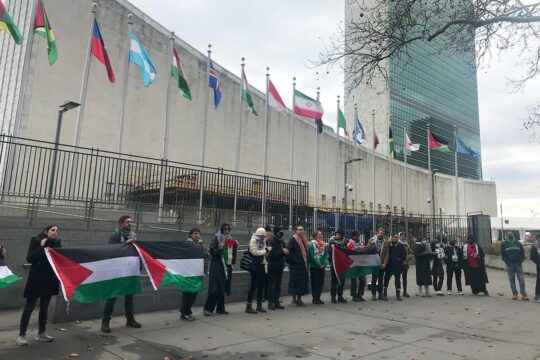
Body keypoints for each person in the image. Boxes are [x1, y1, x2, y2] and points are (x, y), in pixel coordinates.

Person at [17, 225, 61, 346]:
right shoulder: (36, 240)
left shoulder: (57, 243)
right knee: (29, 307)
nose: (55, 232)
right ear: (46, 231)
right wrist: (41, 246)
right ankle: (22, 335)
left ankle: (41, 333)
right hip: (36, 279)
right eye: (53, 230)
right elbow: (30, 258)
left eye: (56, 230)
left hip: (49, 280)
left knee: (44, 307)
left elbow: (59, 259)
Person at [101, 216, 142, 333]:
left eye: (130, 222)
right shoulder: (115, 236)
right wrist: (125, 245)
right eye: (127, 222)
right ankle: (105, 322)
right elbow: (110, 251)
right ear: (121, 224)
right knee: (112, 296)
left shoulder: (134, 235)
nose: (130, 224)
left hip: (130, 270)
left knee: (130, 297)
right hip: (117, 271)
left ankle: (130, 320)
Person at [204, 223, 237, 316]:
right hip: (217, 265)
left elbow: (232, 253)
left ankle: (220, 308)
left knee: (222, 287)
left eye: (228, 229)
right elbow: (212, 251)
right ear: (221, 229)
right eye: (225, 229)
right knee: (215, 288)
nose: (227, 230)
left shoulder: (230, 239)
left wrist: (234, 245)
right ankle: (208, 308)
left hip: (227, 266)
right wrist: (222, 248)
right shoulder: (216, 238)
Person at [180, 227, 206, 321]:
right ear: (191, 234)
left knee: (194, 293)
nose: (197, 235)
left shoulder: (200, 244)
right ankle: (184, 313)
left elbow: (204, 258)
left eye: (199, 233)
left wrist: (204, 271)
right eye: (195, 233)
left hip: (197, 273)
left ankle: (187, 310)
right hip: (188, 273)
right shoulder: (186, 244)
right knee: (187, 293)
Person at [245, 227, 271, 314]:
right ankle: (248, 306)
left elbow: (264, 253)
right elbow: (254, 252)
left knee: (261, 286)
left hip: (262, 264)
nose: (264, 238)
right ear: (259, 235)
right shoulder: (253, 240)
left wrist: (267, 251)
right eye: (262, 236)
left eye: (264, 236)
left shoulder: (262, 241)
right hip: (255, 266)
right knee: (253, 286)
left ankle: (259, 305)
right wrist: (266, 250)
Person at [501, 231, 528, 300]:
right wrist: (507, 262)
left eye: (511, 233)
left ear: (513, 235)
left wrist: (520, 261)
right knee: (511, 279)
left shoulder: (518, 243)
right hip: (509, 265)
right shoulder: (504, 244)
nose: (510, 235)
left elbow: (522, 253)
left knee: (521, 279)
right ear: (506, 235)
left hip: (518, 264)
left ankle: (523, 294)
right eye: (508, 234)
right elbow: (503, 255)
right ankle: (514, 293)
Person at [287, 225, 310, 306]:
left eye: (302, 229)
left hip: (303, 264)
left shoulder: (304, 240)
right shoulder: (293, 240)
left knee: (302, 282)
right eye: (299, 229)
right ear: (296, 231)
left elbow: (307, 251)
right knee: (294, 282)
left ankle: (299, 299)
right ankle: (293, 299)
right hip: (295, 266)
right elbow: (288, 251)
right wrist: (295, 260)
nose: (301, 231)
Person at [267, 226, 288, 310]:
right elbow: (272, 254)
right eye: (280, 231)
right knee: (272, 285)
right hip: (273, 266)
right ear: (276, 232)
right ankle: (270, 303)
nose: (282, 233)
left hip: (280, 265)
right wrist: (282, 252)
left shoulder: (281, 241)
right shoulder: (272, 241)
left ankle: (276, 302)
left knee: (278, 285)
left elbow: (284, 250)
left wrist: (285, 252)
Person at [381, 234, 406, 301]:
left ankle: (398, 294)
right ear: (391, 238)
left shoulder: (401, 246)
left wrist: (399, 259)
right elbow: (383, 252)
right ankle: (384, 293)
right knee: (386, 279)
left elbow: (404, 255)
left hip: (397, 266)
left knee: (397, 280)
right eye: (395, 237)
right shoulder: (388, 245)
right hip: (389, 266)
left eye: (397, 237)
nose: (396, 238)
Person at [328, 229, 347, 303]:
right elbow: (329, 252)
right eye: (337, 234)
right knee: (334, 281)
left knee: (342, 280)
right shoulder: (332, 241)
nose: (337, 236)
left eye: (339, 234)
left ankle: (340, 296)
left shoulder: (344, 242)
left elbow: (346, 251)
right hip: (335, 264)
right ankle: (333, 296)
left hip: (342, 264)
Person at [308, 230, 328, 304]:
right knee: (315, 283)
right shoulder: (311, 245)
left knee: (321, 283)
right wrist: (319, 264)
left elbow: (325, 255)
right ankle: (315, 298)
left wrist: (324, 264)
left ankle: (318, 297)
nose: (321, 235)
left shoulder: (324, 245)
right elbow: (312, 256)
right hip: (315, 267)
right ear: (315, 236)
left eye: (321, 234)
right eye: (319, 234)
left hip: (322, 267)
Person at [347, 231, 366, 302]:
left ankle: (360, 295)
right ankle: (354, 296)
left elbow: (364, 250)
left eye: (358, 236)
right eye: (356, 236)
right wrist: (354, 249)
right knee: (354, 280)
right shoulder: (350, 244)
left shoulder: (361, 244)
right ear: (353, 237)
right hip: (353, 264)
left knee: (362, 280)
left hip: (360, 264)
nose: (358, 237)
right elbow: (348, 252)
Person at [369, 228, 386, 300]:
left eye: (383, 233)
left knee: (381, 279)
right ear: (377, 233)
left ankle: (380, 294)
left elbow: (387, 253)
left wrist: (384, 263)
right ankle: (373, 294)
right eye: (380, 233)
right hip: (374, 263)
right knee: (374, 279)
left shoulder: (385, 242)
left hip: (381, 263)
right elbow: (367, 249)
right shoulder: (371, 240)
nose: (381, 234)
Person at [399, 233, 413, 297]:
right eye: (402, 236)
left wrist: (409, 257)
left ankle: (405, 291)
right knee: (398, 278)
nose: (403, 237)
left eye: (404, 236)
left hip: (405, 263)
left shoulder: (406, 244)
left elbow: (410, 252)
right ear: (399, 237)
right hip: (399, 263)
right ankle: (398, 291)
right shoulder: (398, 244)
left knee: (405, 278)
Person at [530, 234, 540, 301]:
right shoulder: (534, 246)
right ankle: (537, 294)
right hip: (539, 265)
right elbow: (532, 256)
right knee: (539, 280)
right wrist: (538, 262)